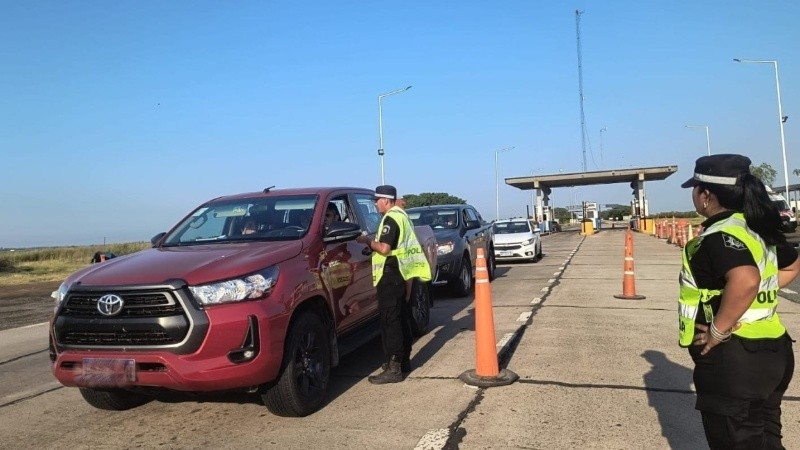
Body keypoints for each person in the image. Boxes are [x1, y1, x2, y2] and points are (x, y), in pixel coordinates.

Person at [678, 154, 800, 449]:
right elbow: (791, 266)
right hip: (774, 353)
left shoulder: (720, 236)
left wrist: (719, 328)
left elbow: (745, 280)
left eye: (695, 189)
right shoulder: (757, 229)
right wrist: (746, 298)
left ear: (706, 195)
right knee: (768, 441)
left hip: (735, 360)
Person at [356, 185, 431, 384]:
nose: (374, 203)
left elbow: (384, 248)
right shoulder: (402, 216)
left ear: (386, 201)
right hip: (401, 274)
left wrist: (366, 241)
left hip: (390, 275)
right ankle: (404, 360)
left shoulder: (390, 219)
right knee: (401, 317)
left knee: (390, 322)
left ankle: (394, 366)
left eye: (377, 200)